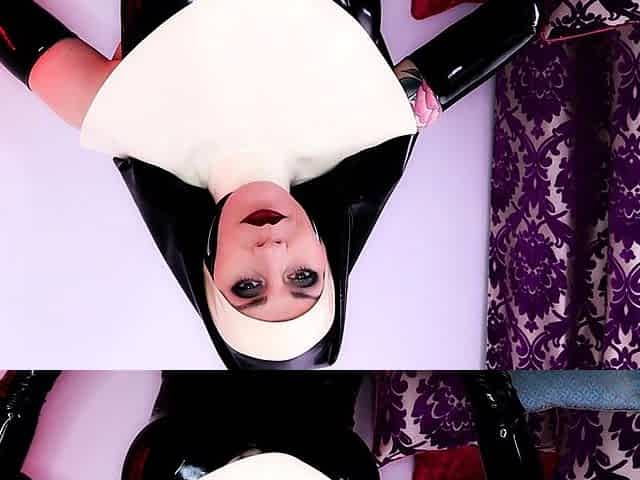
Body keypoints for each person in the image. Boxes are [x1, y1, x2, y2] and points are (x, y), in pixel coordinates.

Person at [0, 0, 542, 368]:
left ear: (208, 272)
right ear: (326, 253)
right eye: (302, 276)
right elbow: (522, 16)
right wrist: (422, 91)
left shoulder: (123, 119)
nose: (272, 251)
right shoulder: (370, 120)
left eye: (247, 287)